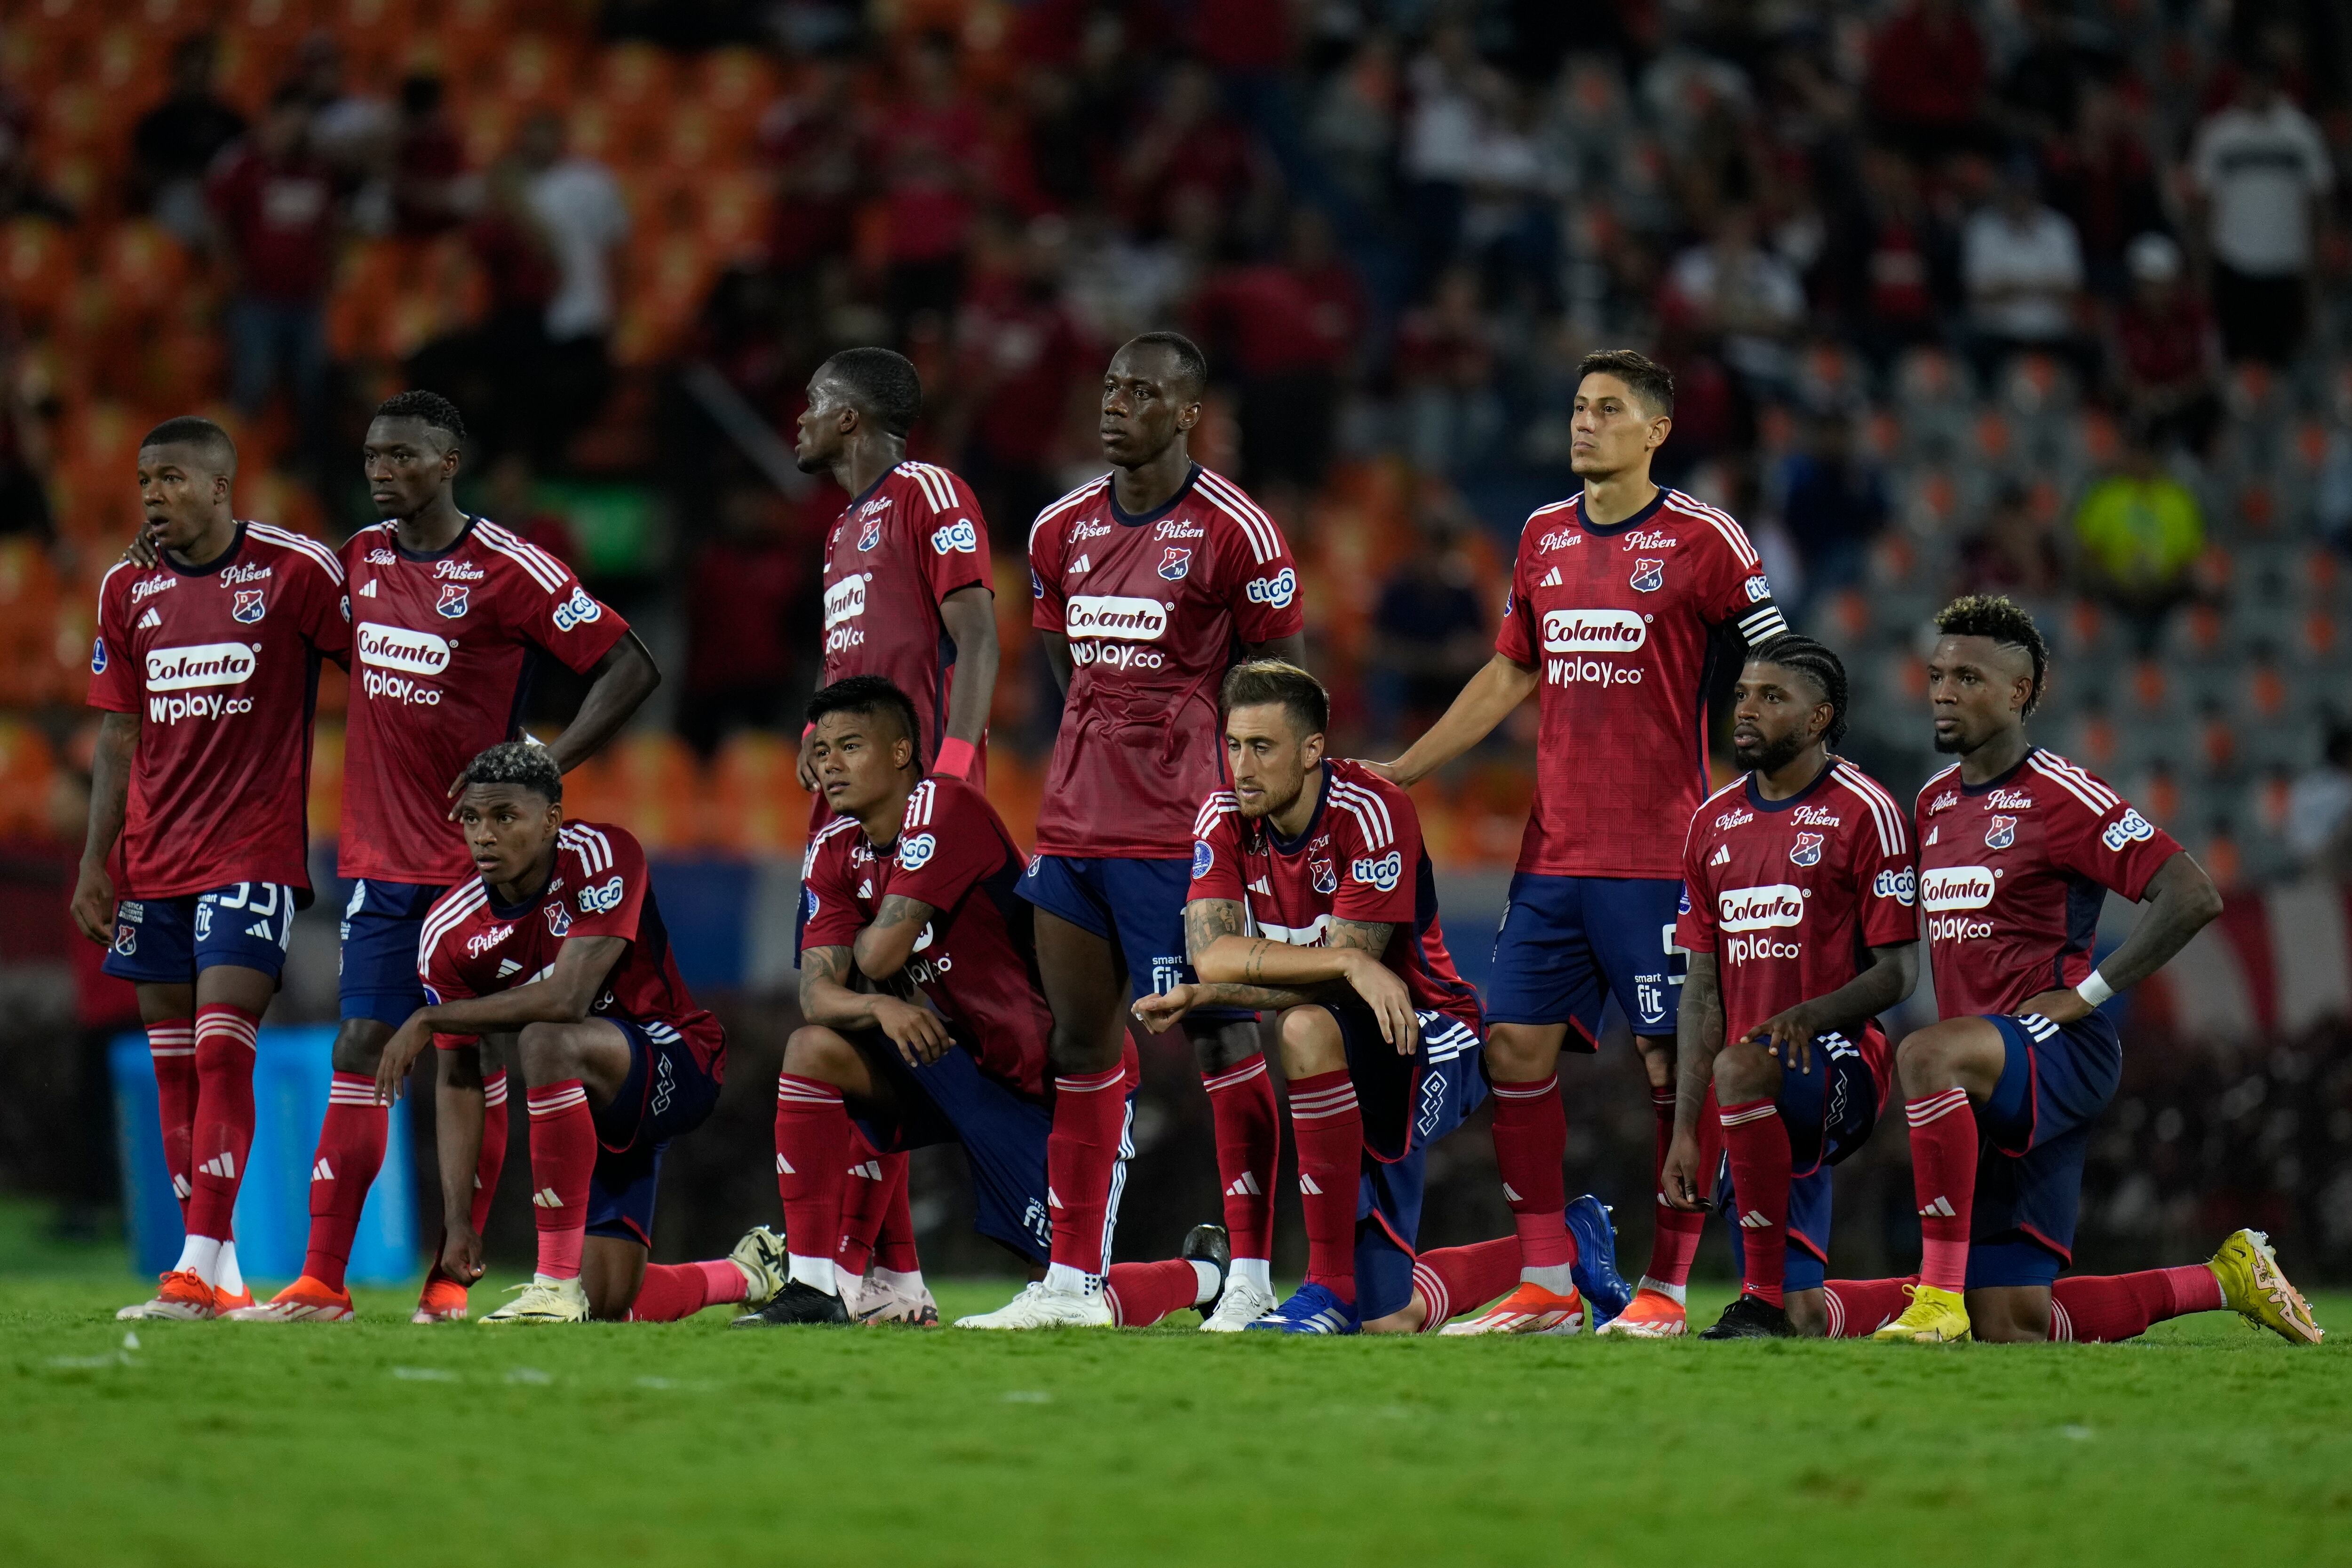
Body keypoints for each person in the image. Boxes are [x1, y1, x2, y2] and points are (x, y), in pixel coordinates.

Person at [221, 390, 659, 1323]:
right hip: (380, 862)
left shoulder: (511, 568)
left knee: (469, 1060)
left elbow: (631, 664)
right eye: (373, 454)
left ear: (449, 460)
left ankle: (453, 1274)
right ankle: (319, 1281)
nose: (382, 469)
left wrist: (542, 765)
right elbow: (273, 597)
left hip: (479, 869)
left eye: (403, 455)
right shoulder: (360, 560)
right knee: (361, 1047)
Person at [1374, 349, 1785, 1338]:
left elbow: (1780, 664)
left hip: (1659, 856)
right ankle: (1550, 1281)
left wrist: (1763, 800)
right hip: (1554, 850)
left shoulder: (1704, 539)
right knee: (1514, 1044)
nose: (1583, 422)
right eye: (1576, 406)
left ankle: (1667, 1288)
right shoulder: (1541, 535)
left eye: (1607, 409)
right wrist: (1403, 770)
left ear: (1656, 431)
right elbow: (1511, 672)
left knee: (1668, 1067)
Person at [1847, 596, 2320, 1346]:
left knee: (1926, 1051)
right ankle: (2228, 1276)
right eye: (1937, 675)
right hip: (1988, 1069)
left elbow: (2192, 892)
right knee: (2015, 1321)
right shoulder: (1933, 803)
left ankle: (1936, 1297)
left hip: (2056, 1049)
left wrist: (2088, 992)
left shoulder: (2060, 793)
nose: (1942, 690)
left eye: (1968, 677)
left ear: (2020, 692)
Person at [1137, 662, 1625, 1335]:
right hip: (1347, 1044)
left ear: (1313, 750)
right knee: (1391, 1319)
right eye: (1234, 744)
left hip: (1428, 1033)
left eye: (1262, 747)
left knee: (1307, 1026)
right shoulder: (1222, 815)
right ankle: (1570, 1242)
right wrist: (1238, 979)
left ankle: (1328, 1287)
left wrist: (1323, 968)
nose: (1241, 765)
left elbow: (1354, 974)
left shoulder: (1371, 810)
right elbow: (1219, 952)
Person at [985, 332, 1304, 1329]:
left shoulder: (1237, 531)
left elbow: (1279, 683)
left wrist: (1221, 788)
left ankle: (1249, 1277)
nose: (1115, 405)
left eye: (1141, 392)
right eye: (1111, 388)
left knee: (1218, 1037)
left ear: (1187, 412)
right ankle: (1074, 1281)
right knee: (1078, 1042)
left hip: (1185, 835)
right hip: (1075, 826)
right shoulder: (1058, 527)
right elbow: (1058, 665)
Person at [743, 677, 1227, 1331]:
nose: (830, 763)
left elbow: (881, 956)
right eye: (822, 750)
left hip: (1057, 1082)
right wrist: (882, 1010)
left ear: (901, 751)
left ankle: (1204, 1276)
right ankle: (812, 1283)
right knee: (814, 1049)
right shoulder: (834, 849)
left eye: (850, 745)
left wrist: (866, 963)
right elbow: (817, 996)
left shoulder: (946, 806)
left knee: (1069, 1292)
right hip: (960, 1057)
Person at [70, 417, 351, 1320]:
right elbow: (118, 731)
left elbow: (374, 663)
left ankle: (190, 1273)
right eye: (145, 478)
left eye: (172, 477)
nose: (153, 493)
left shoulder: (293, 570)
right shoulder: (126, 586)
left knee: (227, 1047)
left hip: (252, 850)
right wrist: (96, 858)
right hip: (154, 859)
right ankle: (220, 1270)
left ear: (223, 485)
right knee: (175, 1068)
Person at [373, 744, 784, 1324]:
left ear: (551, 821)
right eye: (472, 819)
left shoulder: (603, 854)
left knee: (545, 1038)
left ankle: (553, 1284)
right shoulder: (449, 931)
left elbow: (568, 999)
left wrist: (428, 1016)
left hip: (673, 1056)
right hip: (585, 1104)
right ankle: (750, 1272)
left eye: (504, 817)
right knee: (613, 1300)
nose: (483, 836)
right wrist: (458, 1221)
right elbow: (461, 1079)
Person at [1653, 639, 1918, 1338]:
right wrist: (1686, 1129)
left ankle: (1759, 1303)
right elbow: (1703, 992)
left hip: (1842, 1059)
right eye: (1743, 694)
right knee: (1808, 1315)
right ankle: (1952, 1295)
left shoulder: (1866, 810)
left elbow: (1897, 973)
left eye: (1773, 698)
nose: (1747, 709)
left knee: (1740, 1063)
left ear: (1819, 717)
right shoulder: (1712, 824)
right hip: (1752, 1083)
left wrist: (1801, 1018)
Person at [795, 347, 998, 800]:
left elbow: (978, 638)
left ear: (848, 418)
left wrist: (954, 769)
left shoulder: (928, 493)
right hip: (852, 801)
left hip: (923, 789)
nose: (802, 419)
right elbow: (836, 652)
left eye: (813, 403)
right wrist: (814, 727)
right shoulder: (837, 533)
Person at [206, 85, 338, 478]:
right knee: (253, 383)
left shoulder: (318, 171)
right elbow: (217, 216)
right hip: (256, 299)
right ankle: (233, 467)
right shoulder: (244, 165)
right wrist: (228, 269)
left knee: (312, 384)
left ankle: (304, 469)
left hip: (305, 300)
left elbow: (329, 230)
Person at [2187, 62, 2334, 367]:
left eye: (2263, 85)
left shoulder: (2301, 133)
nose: (2256, 92)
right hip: (2234, 261)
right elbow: (2204, 205)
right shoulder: (2220, 134)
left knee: (2284, 359)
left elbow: (2318, 201)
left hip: (2287, 263)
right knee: (2237, 357)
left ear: (2275, 87)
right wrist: (2203, 267)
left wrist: (2316, 266)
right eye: (2250, 84)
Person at [130, 33, 246, 245]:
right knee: (183, 200)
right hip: (175, 201)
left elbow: (245, 169)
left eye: (203, 68)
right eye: (191, 68)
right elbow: (144, 176)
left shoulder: (231, 121)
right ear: (177, 71)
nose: (197, 75)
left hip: (222, 201)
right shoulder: (157, 122)